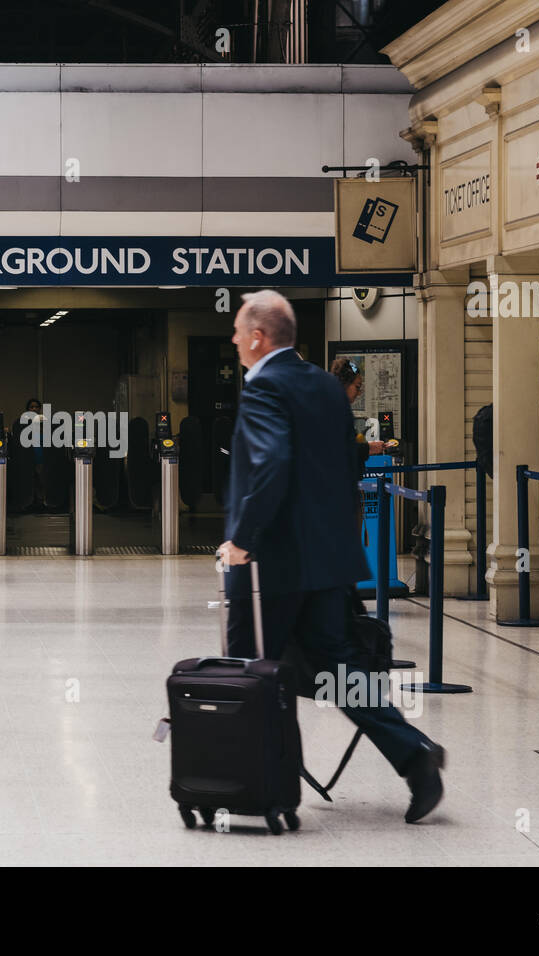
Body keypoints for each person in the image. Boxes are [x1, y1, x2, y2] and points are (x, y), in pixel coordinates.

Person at [217, 290, 445, 825]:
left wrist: (244, 537)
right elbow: (346, 468)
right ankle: (416, 759)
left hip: (273, 566)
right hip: (329, 561)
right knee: (343, 670)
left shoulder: (263, 387)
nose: (232, 341)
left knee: (256, 672)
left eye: (236, 331)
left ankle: (271, 787)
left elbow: (271, 464)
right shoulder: (324, 384)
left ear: (257, 337)